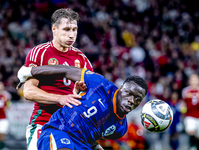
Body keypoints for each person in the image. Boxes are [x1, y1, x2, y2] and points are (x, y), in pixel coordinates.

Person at [17, 65, 148, 150]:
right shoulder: (100, 84)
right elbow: (65, 70)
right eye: (129, 94)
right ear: (120, 89)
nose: (131, 100)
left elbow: (91, 136)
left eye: (137, 99)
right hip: (59, 130)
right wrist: (29, 71)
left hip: (82, 145)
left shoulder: (120, 128)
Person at [18, 8, 94, 150]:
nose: (71, 35)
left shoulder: (82, 60)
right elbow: (28, 92)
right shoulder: (40, 53)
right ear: (54, 29)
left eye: (74, 29)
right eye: (66, 29)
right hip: (44, 122)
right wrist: (60, 98)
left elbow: (91, 98)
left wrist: (80, 93)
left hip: (72, 127)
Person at [182, 74, 199, 150]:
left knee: (198, 136)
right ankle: (192, 147)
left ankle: (197, 146)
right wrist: (182, 109)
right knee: (191, 130)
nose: (194, 81)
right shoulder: (185, 91)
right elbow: (183, 103)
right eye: (192, 79)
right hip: (189, 115)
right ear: (189, 81)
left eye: (196, 79)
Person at [0, 81, 11, 149]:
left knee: (2, 134)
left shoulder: (5, 96)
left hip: (3, 118)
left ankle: (1, 147)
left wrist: (7, 107)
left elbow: (8, 105)